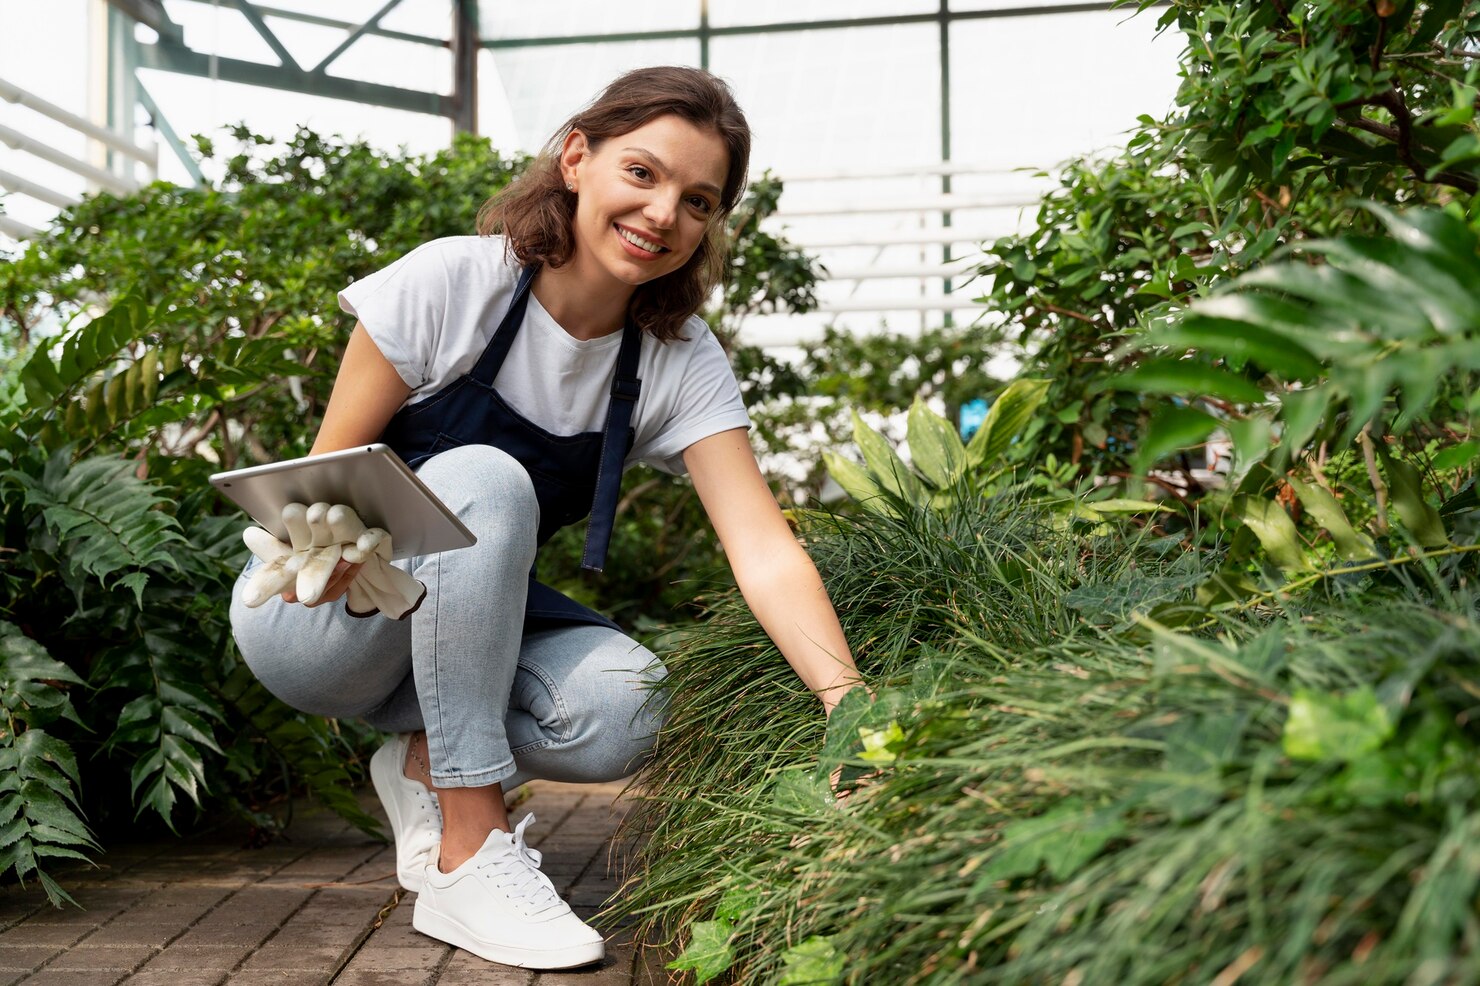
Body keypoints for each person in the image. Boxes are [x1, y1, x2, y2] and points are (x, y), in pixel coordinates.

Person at [228, 65, 865, 972]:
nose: (663, 214)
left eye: (698, 201)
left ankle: (427, 761)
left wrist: (848, 701)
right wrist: (327, 555)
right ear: (576, 159)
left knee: (630, 705)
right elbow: (318, 489)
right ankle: (469, 850)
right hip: (321, 621)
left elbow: (761, 545)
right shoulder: (453, 282)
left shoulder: (677, 358)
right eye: (641, 173)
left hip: (471, 631)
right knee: (485, 478)